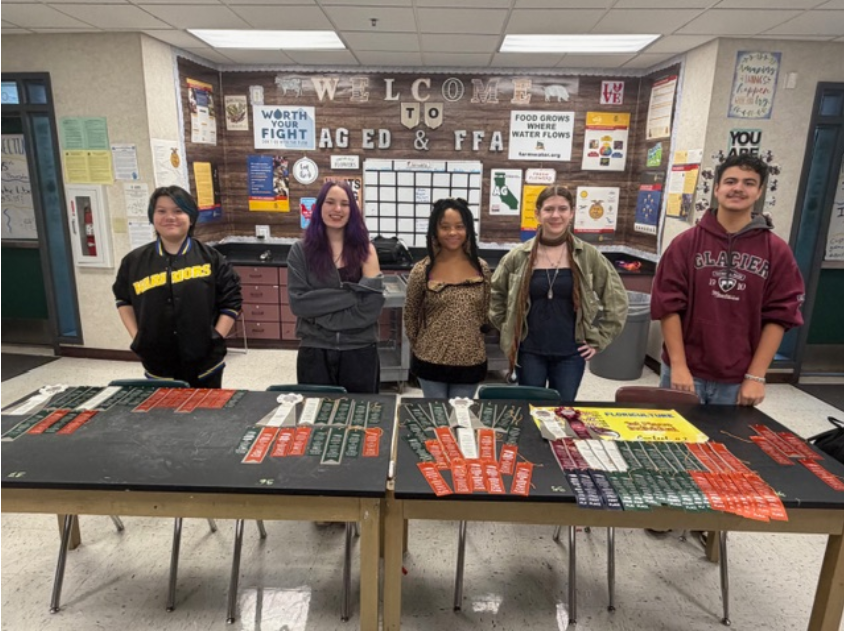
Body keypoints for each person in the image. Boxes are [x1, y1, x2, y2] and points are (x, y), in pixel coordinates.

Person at [651, 154, 804, 406]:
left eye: (748, 183)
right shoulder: (686, 244)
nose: (738, 188)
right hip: (684, 372)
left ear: (759, 191)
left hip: (738, 379)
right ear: (717, 187)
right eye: (731, 181)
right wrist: (678, 366)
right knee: (675, 442)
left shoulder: (776, 251)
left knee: (725, 444)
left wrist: (756, 376)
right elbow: (668, 306)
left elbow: (780, 316)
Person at [490, 185, 628, 401]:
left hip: (572, 353)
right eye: (549, 209)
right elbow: (495, 295)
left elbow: (616, 299)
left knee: (563, 412)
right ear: (537, 214)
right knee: (530, 409)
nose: (556, 215)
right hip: (529, 352)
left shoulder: (588, 255)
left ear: (571, 213)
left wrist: (599, 339)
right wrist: (509, 329)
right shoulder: (517, 257)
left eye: (562, 209)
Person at [113, 185, 242, 388]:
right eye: (161, 211)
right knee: (163, 415)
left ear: (190, 217)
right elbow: (123, 300)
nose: (169, 217)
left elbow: (231, 302)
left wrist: (215, 338)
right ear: (152, 217)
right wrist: (138, 337)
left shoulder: (211, 259)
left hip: (205, 362)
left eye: (178, 211)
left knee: (207, 415)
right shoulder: (134, 261)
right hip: (158, 361)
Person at [287, 180, 384, 393]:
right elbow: (300, 305)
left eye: (345, 203)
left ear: (353, 210)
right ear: (320, 206)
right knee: (315, 418)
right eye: (330, 202)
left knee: (361, 420)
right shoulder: (300, 251)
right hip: (315, 350)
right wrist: (353, 294)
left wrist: (322, 310)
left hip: (359, 350)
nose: (337, 209)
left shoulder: (366, 250)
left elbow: (371, 307)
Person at [404, 198, 491, 399]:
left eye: (459, 226)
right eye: (445, 227)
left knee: (461, 421)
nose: (453, 233)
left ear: (468, 229)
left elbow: (485, 314)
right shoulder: (421, 270)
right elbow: (410, 315)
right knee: (437, 422)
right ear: (435, 230)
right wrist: (422, 346)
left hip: (470, 361)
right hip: (431, 362)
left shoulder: (482, 268)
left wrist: (469, 340)